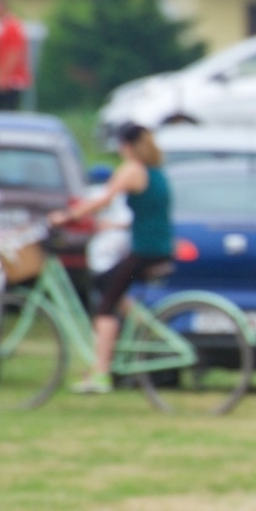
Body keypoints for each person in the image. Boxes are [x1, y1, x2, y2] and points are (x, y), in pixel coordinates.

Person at [47, 123, 171, 393]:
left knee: (104, 306)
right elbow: (150, 215)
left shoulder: (132, 169)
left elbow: (103, 199)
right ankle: (139, 330)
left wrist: (67, 217)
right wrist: (113, 227)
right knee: (109, 285)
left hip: (145, 250)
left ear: (124, 145)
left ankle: (102, 373)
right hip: (157, 246)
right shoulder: (156, 171)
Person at [0, 0, 30, 111]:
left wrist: (3, 75)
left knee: (5, 110)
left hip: (11, 78)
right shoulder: (1, 25)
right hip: (4, 75)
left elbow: (14, 51)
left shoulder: (12, 25)